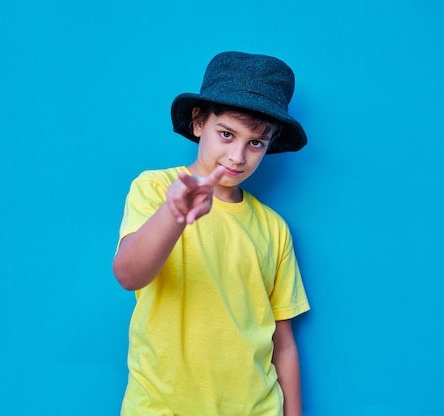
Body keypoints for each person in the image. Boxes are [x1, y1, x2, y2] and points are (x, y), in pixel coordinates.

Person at [112, 51, 310, 416]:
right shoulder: (155, 189)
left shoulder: (273, 228)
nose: (237, 156)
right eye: (226, 134)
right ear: (198, 122)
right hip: (161, 406)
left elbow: (282, 343)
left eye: (255, 143)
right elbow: (128, 275)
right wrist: (175, 215)